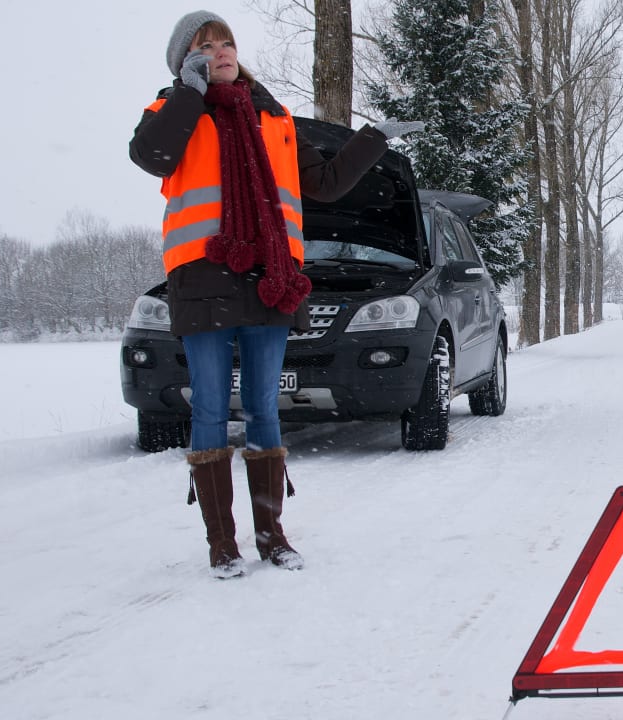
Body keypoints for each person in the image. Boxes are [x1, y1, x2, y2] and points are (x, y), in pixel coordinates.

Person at [130, 10, 419, 579]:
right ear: (184, 60)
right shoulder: (172, 110)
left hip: (269, 277)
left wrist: (375, 138)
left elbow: (325, 185)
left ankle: (272, 536)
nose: (220, 51)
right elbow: (152, 156)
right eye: (204, 45)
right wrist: (189, 92)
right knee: (210, 407)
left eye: (226, 42)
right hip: (203, 278)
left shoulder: (273, 116)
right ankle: (221, 543)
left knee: (264, 405)